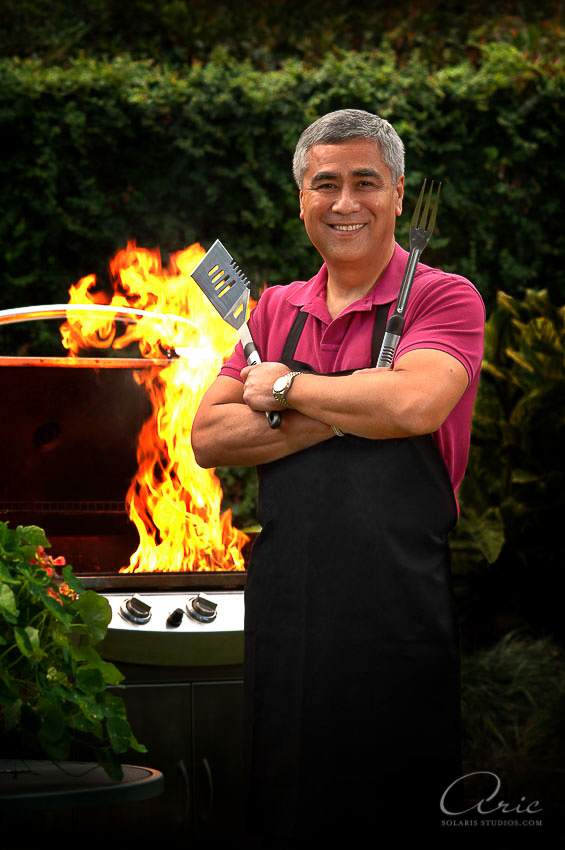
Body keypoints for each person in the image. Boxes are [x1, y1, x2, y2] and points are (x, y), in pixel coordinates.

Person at [191, 109, 485, 847]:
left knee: (393, 809)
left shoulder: (442, 297)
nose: (344, 203)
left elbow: (416, 402)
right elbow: (208, 436)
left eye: (365, 182)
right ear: (301, 200)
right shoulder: (269, 309)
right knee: (282, 809)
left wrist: (285, 390)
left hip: (395, 608)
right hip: (285, 605)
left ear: (397, 193)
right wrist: (359, 402)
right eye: (325, 184)